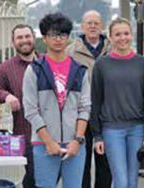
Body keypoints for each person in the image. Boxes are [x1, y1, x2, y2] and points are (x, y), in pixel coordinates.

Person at [22, 12, 90, 188]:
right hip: (43, 143)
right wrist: (48, 141)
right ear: (44, 38)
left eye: (62, 35)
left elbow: (85, 108)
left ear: (68, 37)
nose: (58, 39)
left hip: (74, 144)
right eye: (53, 35)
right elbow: (30, 110)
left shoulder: (80, 70)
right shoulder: (35, 70)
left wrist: (78, 140)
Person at [90, 17, 144, 188]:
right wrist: (98, 136)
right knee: (121, 181)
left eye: (126, 33)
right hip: (111, 130)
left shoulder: (143, 63)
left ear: (131, 35)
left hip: (137, 129)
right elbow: (95, 100)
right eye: (117, 34)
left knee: (132, 181)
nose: (122, 38)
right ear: (110, 37)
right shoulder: (102, 64)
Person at [0, 24, 38, 188]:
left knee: (49, 176)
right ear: (13, 42)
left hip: (53, 133)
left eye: (27, 36)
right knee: (35, 175)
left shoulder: (46, 63)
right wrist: (6, 95)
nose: (24, 41)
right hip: (26, 133)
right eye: (19, 38)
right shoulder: (7, 68)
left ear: (34, 38)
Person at [66, 10, 112, 188]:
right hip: (80, 115)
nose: (93, 26)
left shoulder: (112, 49)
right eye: (89, 23)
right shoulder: (71, 51)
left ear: (102, 26)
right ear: (82, 26)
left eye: (96, 23)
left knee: (105, 164)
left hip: (106, 114)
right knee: (80, 164)